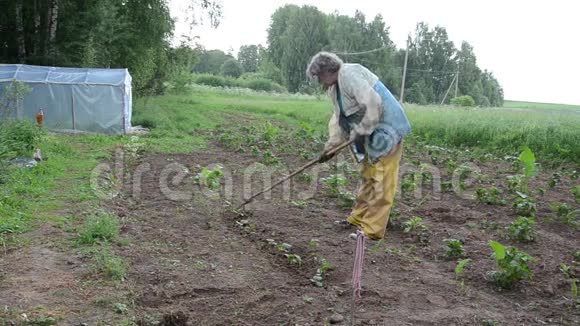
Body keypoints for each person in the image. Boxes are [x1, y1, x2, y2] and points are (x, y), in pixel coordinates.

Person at [306, 51, 412, 240]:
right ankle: (358, 218)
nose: (319, 82)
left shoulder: (349, 74)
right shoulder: (334, 88)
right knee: (368, 175)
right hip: (366, 134)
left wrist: (363, 129)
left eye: (319, 76)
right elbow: (339, 120)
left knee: (382, 179)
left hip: (385, 129)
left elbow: (373, 102)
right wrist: (329, 148)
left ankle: (371, 230)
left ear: (327, 70)